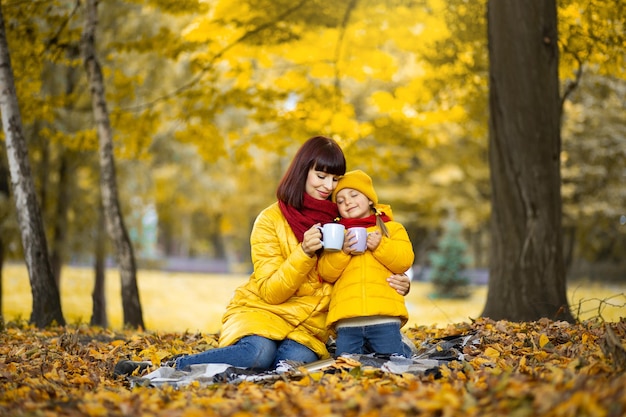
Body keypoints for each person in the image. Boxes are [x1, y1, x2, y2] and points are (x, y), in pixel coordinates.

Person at [117, 136, 411, 374]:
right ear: (302, 171)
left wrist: (399, 283)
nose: (328, 187)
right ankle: (170, 366)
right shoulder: (270, 220)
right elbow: (271, 292)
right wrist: (304, 252)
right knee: (259, 353)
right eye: (320, 176)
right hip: (264, 311)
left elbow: (368, 257)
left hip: (309, 326)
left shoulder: (345, 215)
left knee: (288, 362)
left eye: (335, 179)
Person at [317, 170, 415, 357]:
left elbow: (404, 261)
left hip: (384, 317)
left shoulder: (391, 228)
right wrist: (344, 251)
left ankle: (404, 350)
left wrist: (380, 245)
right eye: (340, 200)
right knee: (347, 366)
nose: (348, 202)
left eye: (354, 195)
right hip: (347, 320)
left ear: (370, 199)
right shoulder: (337, 234)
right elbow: (326, 272)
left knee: (394, 363)